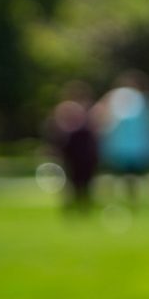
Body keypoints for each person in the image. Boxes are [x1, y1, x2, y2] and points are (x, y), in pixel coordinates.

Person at [93, 72, 149, 203]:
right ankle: (121, 201)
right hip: (126, 147)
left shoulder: (139, 100)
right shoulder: (140, 100)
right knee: (124, 177)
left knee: (131, 177)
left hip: (130, 148)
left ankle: (126, 201)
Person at [46, 82, 99, 210]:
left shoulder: (88, 111)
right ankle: (75, 205)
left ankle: (83, 205)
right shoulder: (66, 109)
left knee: (84, 181)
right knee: (71, 181)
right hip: (72, 151)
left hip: (83, 151)